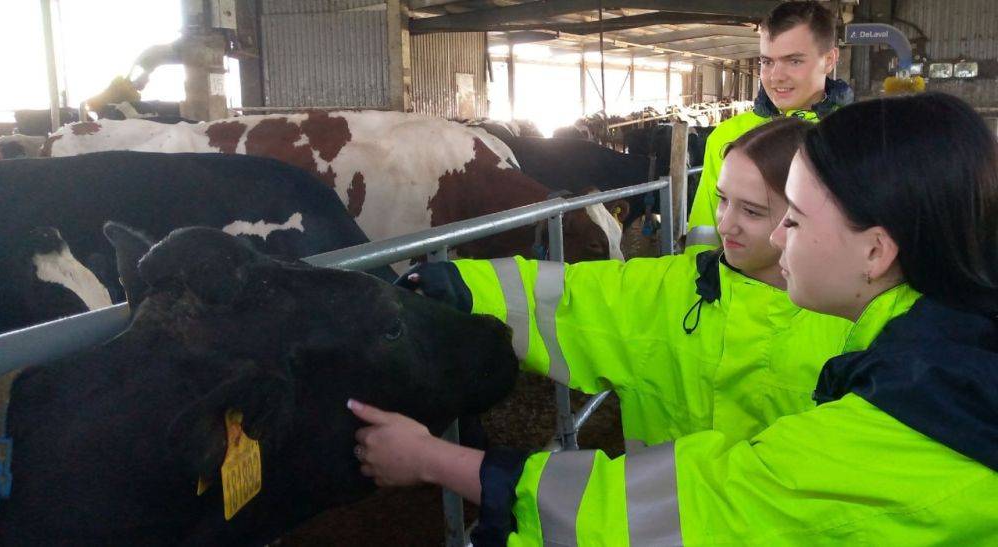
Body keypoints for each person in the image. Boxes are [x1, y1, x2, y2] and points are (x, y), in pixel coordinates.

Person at [352, 92, 998, 545]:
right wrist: (446, 284)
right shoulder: (935, 343)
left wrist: (437, 460)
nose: (739, 229)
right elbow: (576, 301)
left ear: (877, 250)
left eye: (789, 218)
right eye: (722, 202)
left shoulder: (918, 418)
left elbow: (695, 512)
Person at [686, 0, 853, 252]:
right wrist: (704, 278)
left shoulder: (856, 135)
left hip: (828, 290)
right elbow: (704, 232)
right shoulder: (726, 136)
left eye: (794, 61)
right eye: (767, 62)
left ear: (829, 59)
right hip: (743, 289)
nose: (776, 77)